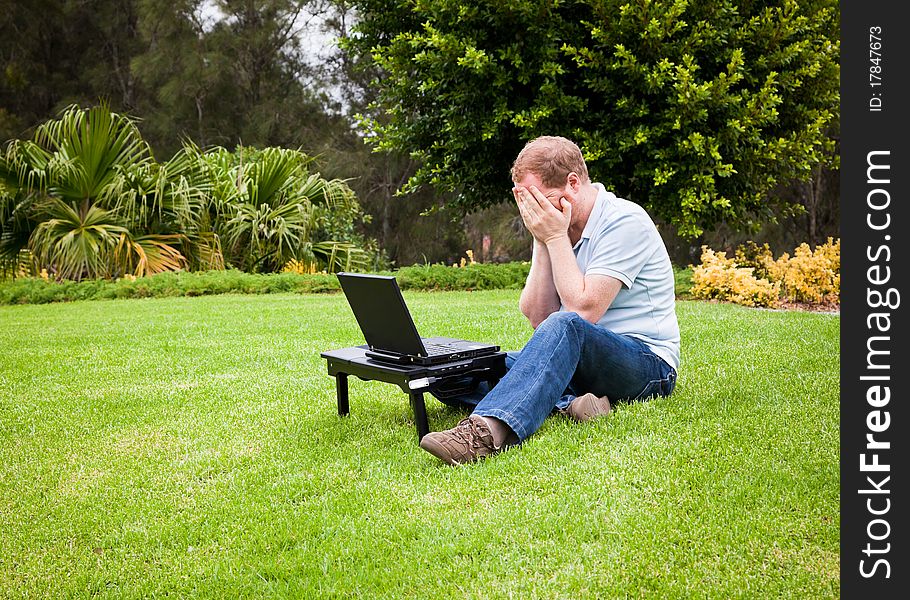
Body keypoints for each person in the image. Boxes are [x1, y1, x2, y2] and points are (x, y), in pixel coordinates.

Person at [419, 135, 681, 465]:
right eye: (527, 203)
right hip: (576, 360)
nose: (535, 212)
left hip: (645, 363)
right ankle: (570, 404)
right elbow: (538, 316)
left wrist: (554, 236)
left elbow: (583, 312)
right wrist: (544, 241)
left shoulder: (625, 221)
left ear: (573, 182)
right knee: (452, 377)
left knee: (567, 323)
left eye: (539, 200)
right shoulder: (554, 225)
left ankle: (483, 433)